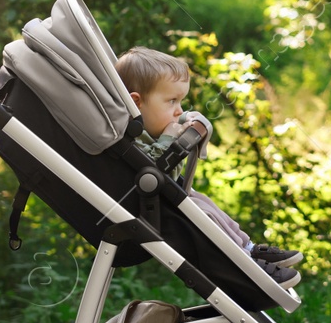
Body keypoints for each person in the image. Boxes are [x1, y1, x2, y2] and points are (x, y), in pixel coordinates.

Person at [114, 47, 303, 286]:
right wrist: (169, 139)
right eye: (172, 101)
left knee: (204, 202)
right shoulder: (132, 135)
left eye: (180, 101)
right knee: (202, 213)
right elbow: (151, 166)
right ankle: (242, 263)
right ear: (137, 102)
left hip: (162, 195)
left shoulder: (146, 129)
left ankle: (247, 247)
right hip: (147, 204)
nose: (179, 110)